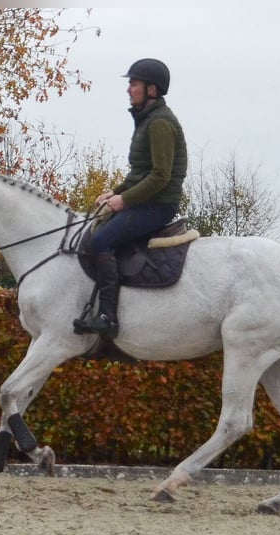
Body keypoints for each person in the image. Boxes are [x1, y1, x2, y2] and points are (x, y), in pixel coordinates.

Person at [73, 58, 187, 338]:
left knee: (101, 240)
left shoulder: (160, 123)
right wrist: (116, 191)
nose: (128, 90)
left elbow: (160, 176)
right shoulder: (148, 120)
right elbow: (140, 172)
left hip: (159, 205)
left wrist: (124, 201)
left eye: (133, 84)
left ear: (152, 89)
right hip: (147, 199)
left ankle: (108, 317)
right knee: (95, 229)